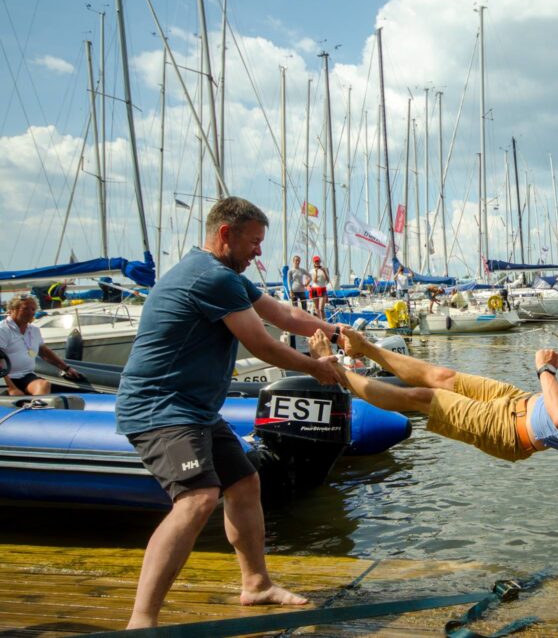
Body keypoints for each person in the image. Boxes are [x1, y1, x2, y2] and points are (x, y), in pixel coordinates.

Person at [114, 197, 347, 629]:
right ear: (226, 233)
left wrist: (335, 330)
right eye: (254, 242)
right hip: (160, 408)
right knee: (197, 498)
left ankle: (256, 585)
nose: (259, 251)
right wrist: (317, 368)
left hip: (194, 409)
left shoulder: (223, 275)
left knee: (243, 482)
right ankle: (141, 621)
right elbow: (261, 344)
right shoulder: (212, 278)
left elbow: (281, 313)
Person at [309, 312, 558, 462]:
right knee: (442, 376)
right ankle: (365, 348)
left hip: (508, 429)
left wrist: (545, 369)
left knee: (420, 397)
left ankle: (334, 367)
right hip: (519, 402)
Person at [0, 294, 81, 395]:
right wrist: (12, 388)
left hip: (26, 376)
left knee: (44, 385)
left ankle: (38, 408)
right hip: (4, 378)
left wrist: (66, 368)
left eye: (33, 309)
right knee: (16, 395)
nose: (30, 312)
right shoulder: (3, 330)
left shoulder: (34, 330)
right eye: (25, 309)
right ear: (12, 310)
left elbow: (44, 352)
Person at [308, 255, 330, 320]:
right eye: (315, 261)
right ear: (313, 262)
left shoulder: (325, 269)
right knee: (316, 308)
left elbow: (327, 280)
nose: (317, 263)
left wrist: (324, 271)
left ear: (320, 261)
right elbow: (314, 281)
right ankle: (318, 322)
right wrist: (316, 271)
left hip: (322, 289)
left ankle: (324, 321)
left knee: (321, 308)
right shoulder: (312, 271)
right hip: (315, 289)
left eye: (318, 261)